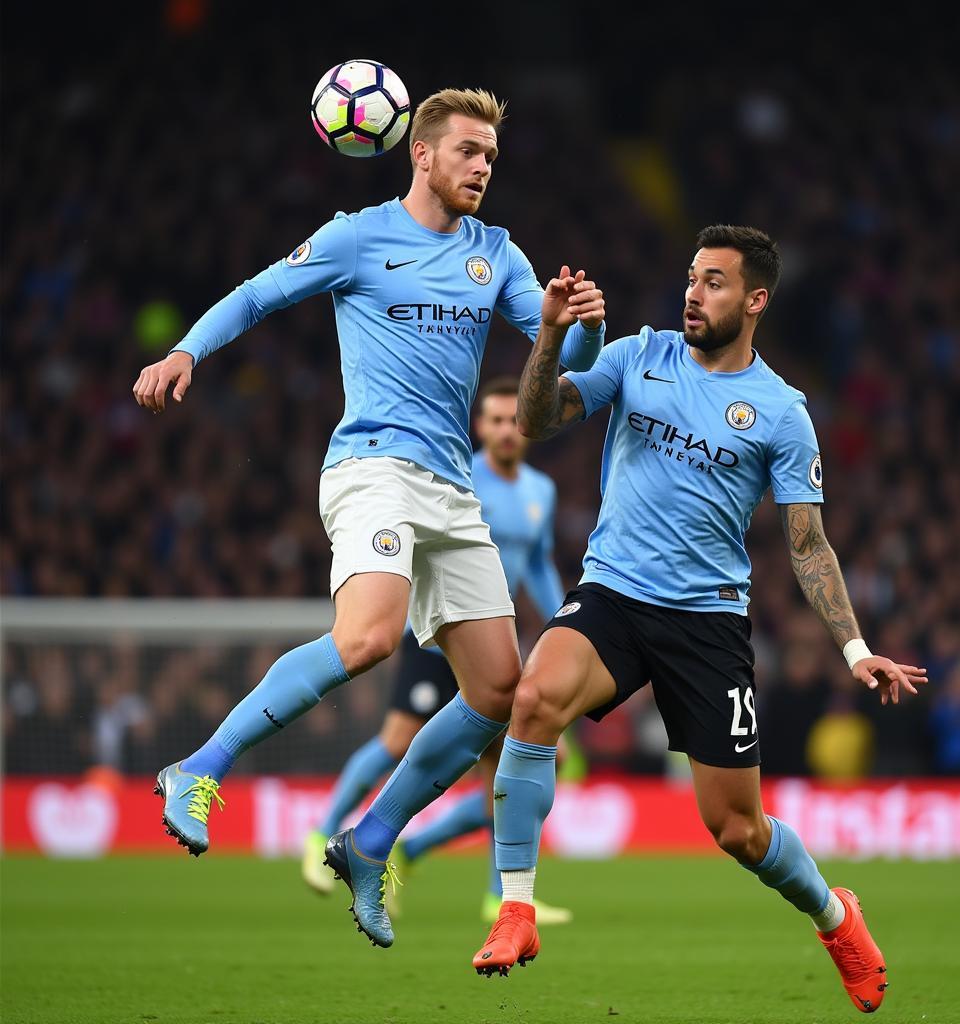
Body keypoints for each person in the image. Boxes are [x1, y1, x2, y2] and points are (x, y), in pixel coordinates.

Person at [133, 89, 606, 949]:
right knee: (368, 639)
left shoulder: (496, 254)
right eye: (467, 152)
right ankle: (197, 768)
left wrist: (578, 325)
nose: (481, 169)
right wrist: (184, 351)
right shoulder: (357, 235)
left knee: (499, 692)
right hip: (373, 465)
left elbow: (567, 365)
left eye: (491, 158)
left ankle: (371, 841)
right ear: (419, 154)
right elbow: (258, 295)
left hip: (450, 488)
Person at [470, 226, 927, 1015]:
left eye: (714, 281)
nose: (693, 292)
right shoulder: (636, 356)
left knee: (738, 830)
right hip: (613, 594)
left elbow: (808, 542)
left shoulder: (782, 413)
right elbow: (540, 417)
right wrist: (549, 335)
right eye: (690, 277)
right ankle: (517, 908)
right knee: (534, 697)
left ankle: (835, 916)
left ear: (755, 300)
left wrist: (854, 647)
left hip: (707, 625)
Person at [301, 377, 573, 926]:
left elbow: (539, 565)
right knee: (398, 741)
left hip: (489, 643)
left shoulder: (540, 492)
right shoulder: (457, 475)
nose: (504, 431)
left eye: (513, 421)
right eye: (494, 420)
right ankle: (321, 834)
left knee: (514, 766)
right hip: (435, 632)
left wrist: (564, 617)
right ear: (479, 426)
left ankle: (496, 892)